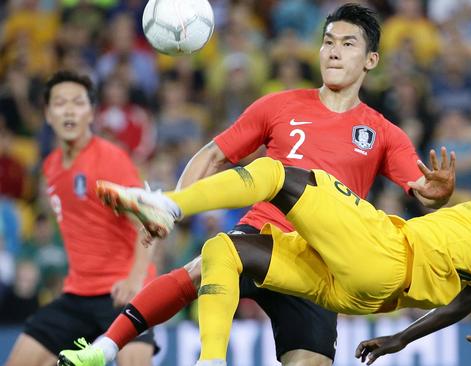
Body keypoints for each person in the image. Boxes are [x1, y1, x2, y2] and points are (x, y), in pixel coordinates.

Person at [58, 4, 448, 366]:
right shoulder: (277, 106)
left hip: (321, 263)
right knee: (207, 263)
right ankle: (105, 348)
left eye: (348, 44)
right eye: (328, 42)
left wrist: (436, 193)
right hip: (262, 232)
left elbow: (420, 189)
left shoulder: (384, 133)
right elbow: (212, 154)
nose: (333, 52)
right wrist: (173, 207)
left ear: (370, 60)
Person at [79, 124, 471, 366]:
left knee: (275, 173)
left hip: (384, 252)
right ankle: (211, 359)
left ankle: (169, 206)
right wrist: (400, 339)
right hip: (353, 291)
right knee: (223, 251)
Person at [4, 70, 157, 366]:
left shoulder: (109, 158)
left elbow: (150, 220)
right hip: (78, 294)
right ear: (48, 115)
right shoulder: (50, 167)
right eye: (60, 103)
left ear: (91, 113)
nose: (70, 109)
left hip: (123, 290)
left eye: (78, 102)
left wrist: (135, 279)